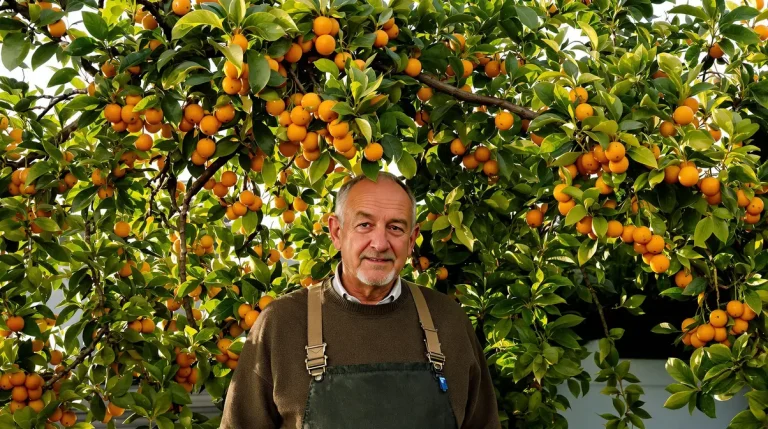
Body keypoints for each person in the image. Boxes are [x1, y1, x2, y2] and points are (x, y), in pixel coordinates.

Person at [221, 171, 501, 429]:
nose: (379, 243)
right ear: (336, 232)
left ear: (412, 239)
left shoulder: (449, 321)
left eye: (395, 228)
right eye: (365, 225)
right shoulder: (281, 323)